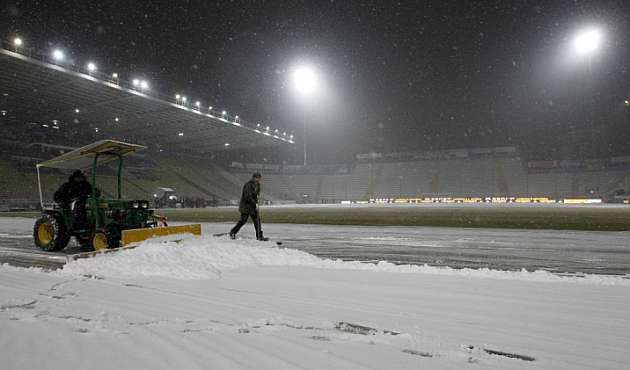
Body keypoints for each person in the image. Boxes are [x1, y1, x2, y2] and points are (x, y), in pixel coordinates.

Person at [230, 172, 267, 241]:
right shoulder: (248, 185)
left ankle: (259, 236)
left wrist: (257, 201)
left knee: (257, 221)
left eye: (260, 178)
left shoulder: (258, 185)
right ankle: (232, 232)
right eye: (258, 178)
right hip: (246, 206)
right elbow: (247, 196)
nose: (259, 180)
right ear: (254, 178)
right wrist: (254, 203)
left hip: (253, 207)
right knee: (243, 221)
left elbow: (257, 195)